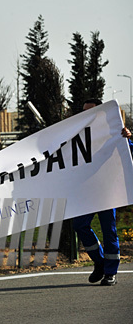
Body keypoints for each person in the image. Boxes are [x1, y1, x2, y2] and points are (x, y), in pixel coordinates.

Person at [72, 99, 133, 286]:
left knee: (109, 230)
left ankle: (110, 272)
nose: (85, 115)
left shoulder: (113, 131)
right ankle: (99, 262)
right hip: (87, 191)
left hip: (107, 191)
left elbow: (129, 152)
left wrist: (128, 138)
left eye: (90, 111)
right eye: (83, 111)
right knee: (80, 225)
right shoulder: (76, 133)